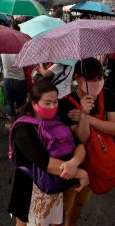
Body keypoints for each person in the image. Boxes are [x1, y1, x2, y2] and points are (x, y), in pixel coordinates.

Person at [8, 80, 88, 226]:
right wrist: (80, 173)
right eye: (47, 103)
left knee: (54, 221)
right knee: (25, 221)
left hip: (54, 186)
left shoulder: (56, 120)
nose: (53, 106)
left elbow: (79, 145)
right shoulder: (23, 128)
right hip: (29, 188)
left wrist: (74, 162)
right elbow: (45, 163)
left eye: (55, 101)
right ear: (34, 104)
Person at [59, 58, 115, 226]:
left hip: (97, 162)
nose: (98, 82)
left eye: (100, 77)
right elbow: (81, 138)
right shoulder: (66, 103)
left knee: (79, 203)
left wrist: (87, 118)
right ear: (79, 78)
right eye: (93, 78)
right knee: (64, 204)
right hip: (75, 164)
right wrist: (83, 112)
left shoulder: (109, 95)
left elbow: (114, 128)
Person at [1, 53, 28, 128]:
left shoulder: (3, 51)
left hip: (7, 78)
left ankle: (12, 124)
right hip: (20, 79)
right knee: (21, 103)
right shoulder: (20, 51)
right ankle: (21, 124)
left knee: (10, 103)